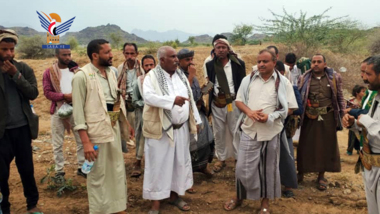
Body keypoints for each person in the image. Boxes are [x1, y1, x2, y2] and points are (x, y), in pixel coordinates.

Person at [223, 49, 297, 213]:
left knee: (269, 169)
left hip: (271, 131)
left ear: (274, 61)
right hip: (250, 129)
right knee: (242, 168)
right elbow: (239, 101)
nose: (261, 64)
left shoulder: (283, 82)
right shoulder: (248, 80)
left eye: (265, 61)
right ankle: (240, 196)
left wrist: (270, 117)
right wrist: (250, 113)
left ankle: (265, 204)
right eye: (259, 62)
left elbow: (290, 107)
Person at [72, 39, 133, 214]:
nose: (111, 55)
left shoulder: (111, 73)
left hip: (112, 130)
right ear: (95, 55)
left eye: (111, 51)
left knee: (116, 171)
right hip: (95, 135)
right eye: (107, 52)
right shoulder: (82, 76)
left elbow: (115, 101)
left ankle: (117, 208)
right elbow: (78, 114)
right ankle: (100, 210)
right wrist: (86, 143)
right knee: (98, 175)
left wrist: (125, 124)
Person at [142, 46, 201, 214]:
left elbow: (189, 97)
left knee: (179, 163)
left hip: (180, 129)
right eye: (172, 56)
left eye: (176, 56)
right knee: (158, 165)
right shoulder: (151, 76)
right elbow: (148, 97)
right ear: (162, 60)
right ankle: (156, 203)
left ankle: (175, 196)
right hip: (161, 130)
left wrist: (195, 119)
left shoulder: (181, 75)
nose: (177, 59)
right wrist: (172, 101)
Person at [0, 29, 42, 214]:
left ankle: (32, 205)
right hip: (2, 133)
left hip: (23, 129)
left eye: (11, 49)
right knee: (1, 174)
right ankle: (4, 207)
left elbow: (33, 93)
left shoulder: (23, 68)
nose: (9, 53)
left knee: (27, 170)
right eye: (4, 49)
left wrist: (15, 75)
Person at [297, 54, 345, 191]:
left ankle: (321, 176)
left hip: (328, 117)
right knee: (305, 145)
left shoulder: (335, 78)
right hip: (309, 116)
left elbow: (340, 96)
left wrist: (343, 114)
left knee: (326, 146)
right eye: (313, 62)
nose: (315, 64)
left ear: (325, 64)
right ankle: (301, 173)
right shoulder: (303, 78)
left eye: (319, 62)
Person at [342, 55, 380, 214]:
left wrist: (364, 120)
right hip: (371, 165)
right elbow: (369, 128)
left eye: (368, 74)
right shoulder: (375, 96)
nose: (364, 78)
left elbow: (371, 125)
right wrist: (354, 125)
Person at [42, 46, 86, 181]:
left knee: (81, 139)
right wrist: (64, 96)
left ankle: (82, 168)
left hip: (76, 108)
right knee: (57, 142)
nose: (67, 57)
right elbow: (47, 92)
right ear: (57, 56)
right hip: (58, 109)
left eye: (69, 54)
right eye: (64, 55)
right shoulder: (49, 72)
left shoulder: (76, 70)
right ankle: (59, 171)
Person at [205, 38, 246, 172]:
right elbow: (210, 82)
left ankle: (237, 159)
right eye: (218, 47)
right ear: (214, 50)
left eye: (223, 47)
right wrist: (205, 90)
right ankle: (221, 159)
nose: (221, 49)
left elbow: (242, 84)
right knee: (218, 131)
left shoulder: (238, 64)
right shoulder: (210, 65)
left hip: (233, 102)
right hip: (217, 102)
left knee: (235, 131)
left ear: (228, 49)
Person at [177, 49, 215, 194]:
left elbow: (195, 94)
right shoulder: (176, 76)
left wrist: (203, 91)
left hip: (198, 113)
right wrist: (191, 76)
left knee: (207, 139)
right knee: (189, 146)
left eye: (191, 59)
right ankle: (188, 178)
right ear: (179, 61)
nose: (191, 62)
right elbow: (183, 94)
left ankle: (203, 166)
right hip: (186, 117)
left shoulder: (193, 76)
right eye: (187, 60)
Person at [276, 61, 304, 197]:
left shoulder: (291, 87)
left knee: (286, 157)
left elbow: (299, 108)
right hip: (266, 127)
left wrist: (282, 113)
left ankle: (288, 186)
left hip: (283, 128)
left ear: (282, 73)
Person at [130, 54, 156, 177]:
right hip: (143, 115)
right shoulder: (139, 82)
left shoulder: (161, 81)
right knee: (141, 137)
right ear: (143, 67)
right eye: (147, 65)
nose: (149, 67)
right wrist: (148, 102)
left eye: (152, 65)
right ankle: (138, 162)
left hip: (158, 116)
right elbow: (134, 101)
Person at [117, 42, 142, 151]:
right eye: (127, 53)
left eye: (132, 53)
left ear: (137, 53)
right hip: (125, 101)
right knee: (124, 127)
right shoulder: (120, 68)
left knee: (139, 127)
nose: (129, 56)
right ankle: (125, 149)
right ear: (123, 53)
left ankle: (138, 153)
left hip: (138, 102)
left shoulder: (142, 67)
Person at [345, 85, 366, 155]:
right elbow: (346, 109)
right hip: (352, 120)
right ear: (357, 93)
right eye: (363, 91)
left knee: (360, 135)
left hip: (361, 120)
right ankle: (349, 150)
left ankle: (358, 149)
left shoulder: (365, 100)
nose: (364, 93)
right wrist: (352, 107)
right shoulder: (351, 100)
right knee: (352, 135)